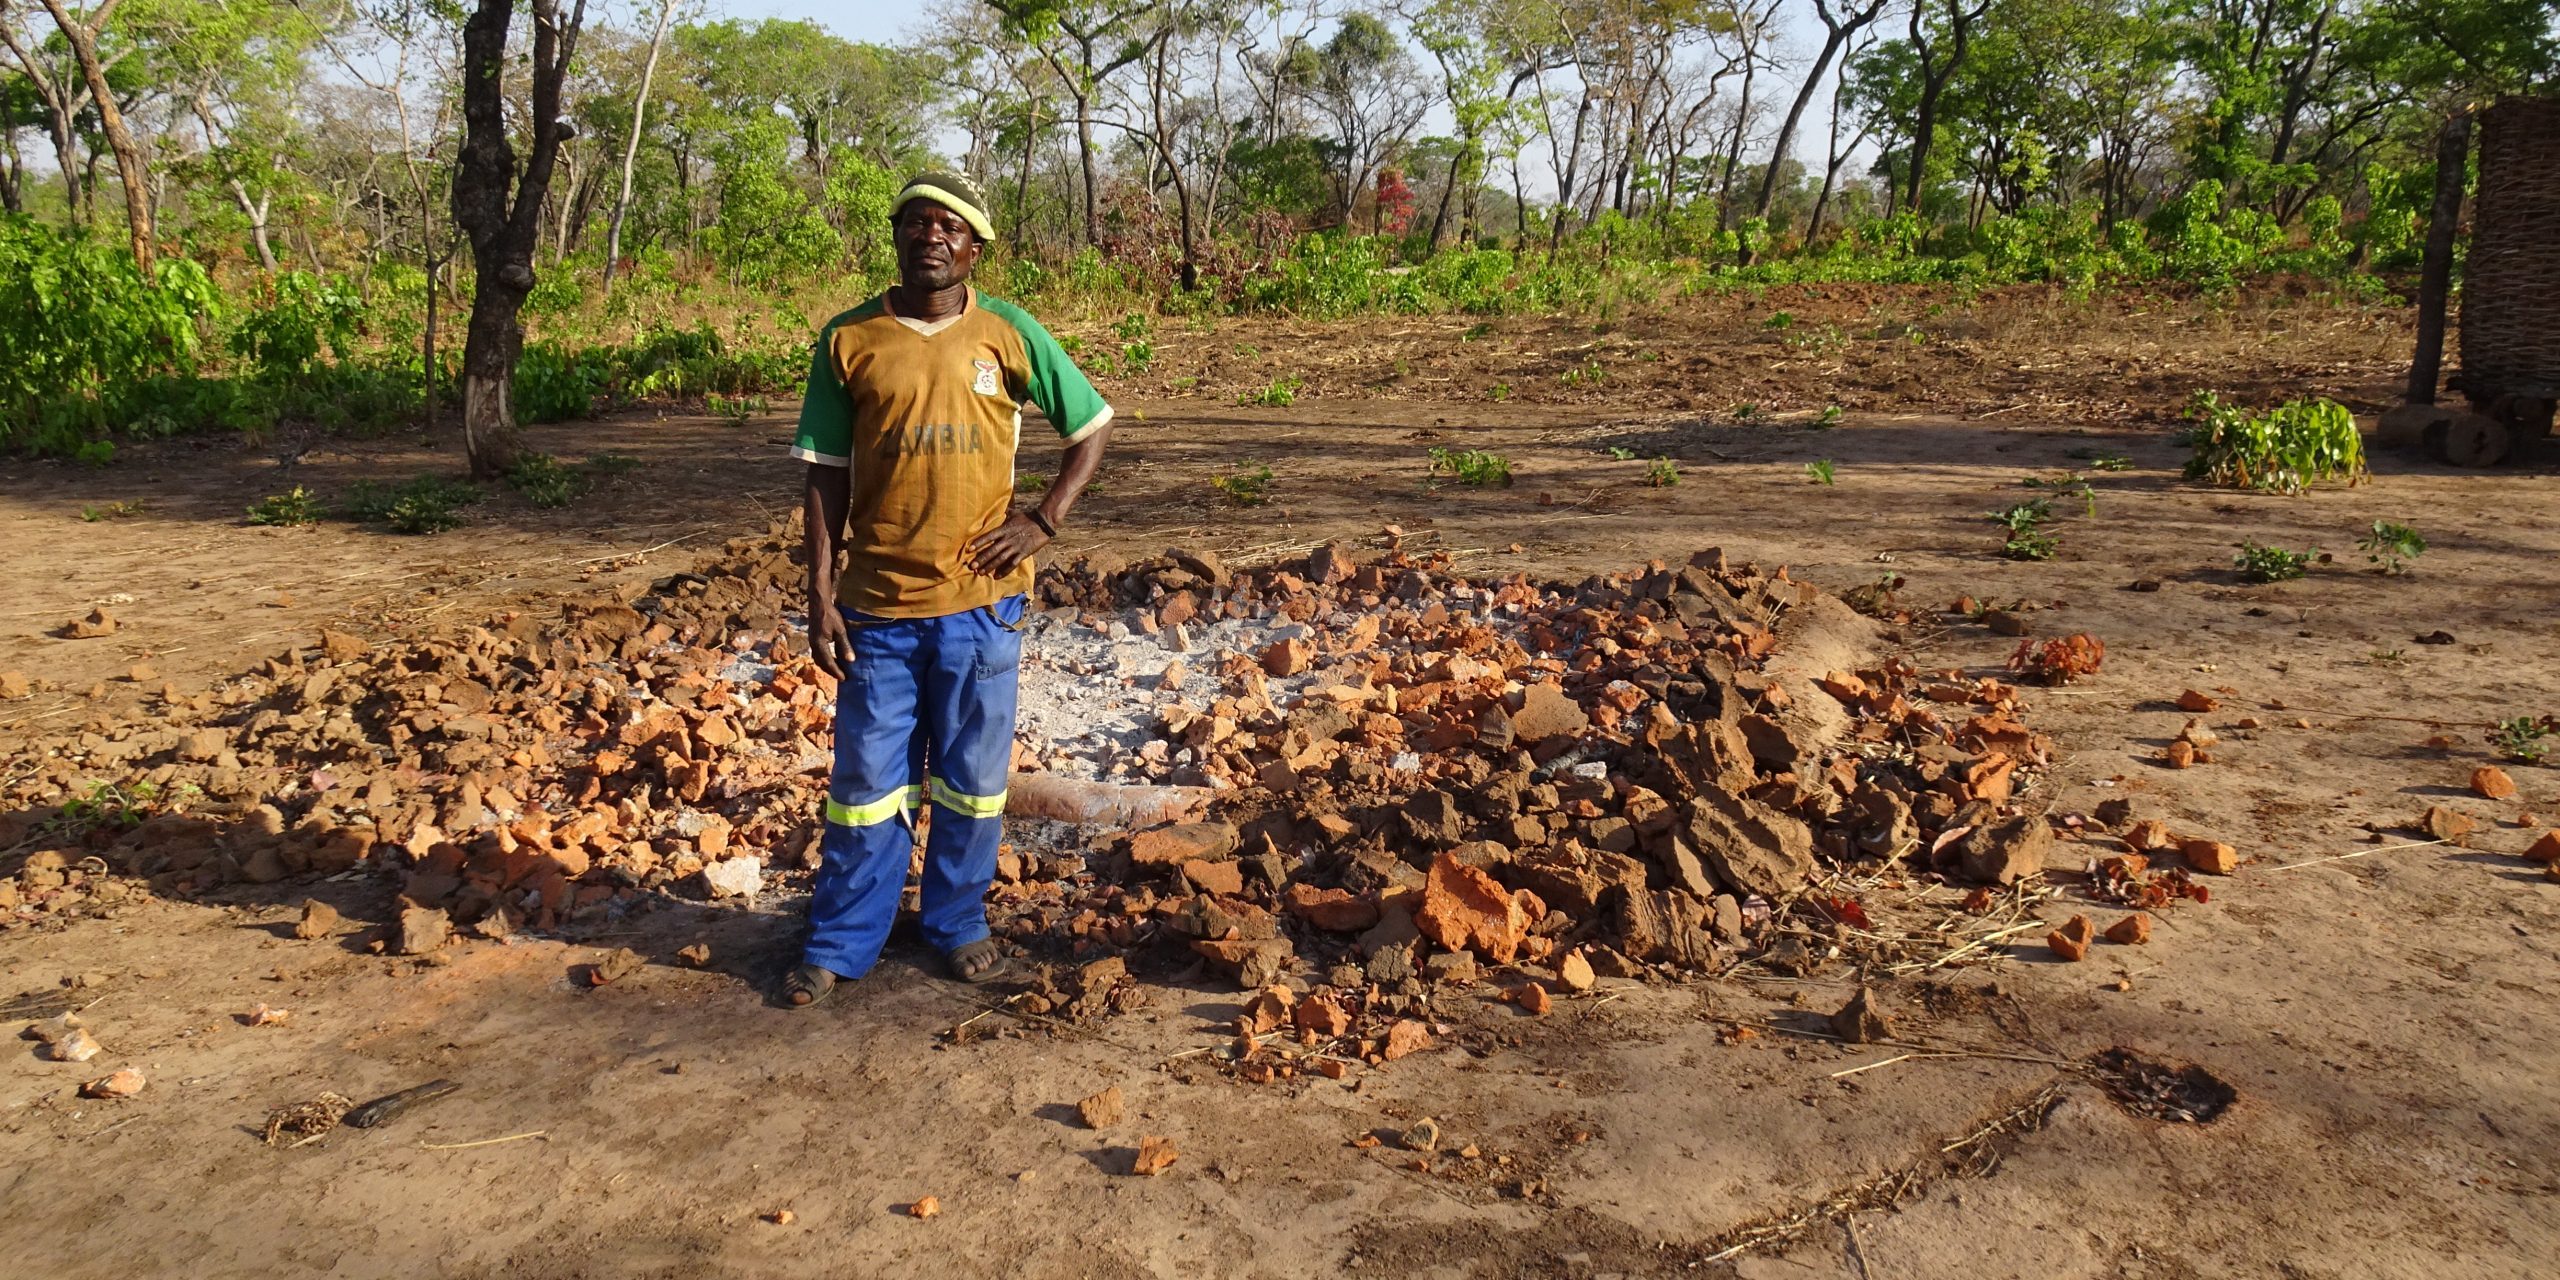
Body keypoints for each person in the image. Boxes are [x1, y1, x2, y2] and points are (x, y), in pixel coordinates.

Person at [783, 170, 1112, 1007]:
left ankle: (957, 923)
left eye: (949, 228)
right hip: (876, 610)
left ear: (975, 249)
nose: (931, 237)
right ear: (897, 238)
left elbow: (1092, 427)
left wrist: (1043, 520)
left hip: (980, 607)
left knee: (972, 780)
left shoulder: (1009, 332)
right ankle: (841, 940)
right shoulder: (848, 339)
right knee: (865, 787)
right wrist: (819, 594)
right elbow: (824, 473)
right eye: (915, 224)